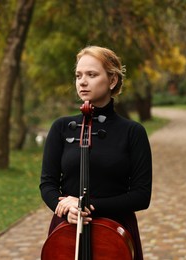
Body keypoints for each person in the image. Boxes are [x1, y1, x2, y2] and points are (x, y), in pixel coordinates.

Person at [40, 46, 152, 259]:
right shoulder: (61, 127)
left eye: (91, 75)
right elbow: (47, 184)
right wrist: (64, 207)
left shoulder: (133, 132)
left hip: (115, 233)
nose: (82, 82)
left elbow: (141, 196)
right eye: (78, 75)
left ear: (112, 81)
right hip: (67, 229)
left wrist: (86, 205)